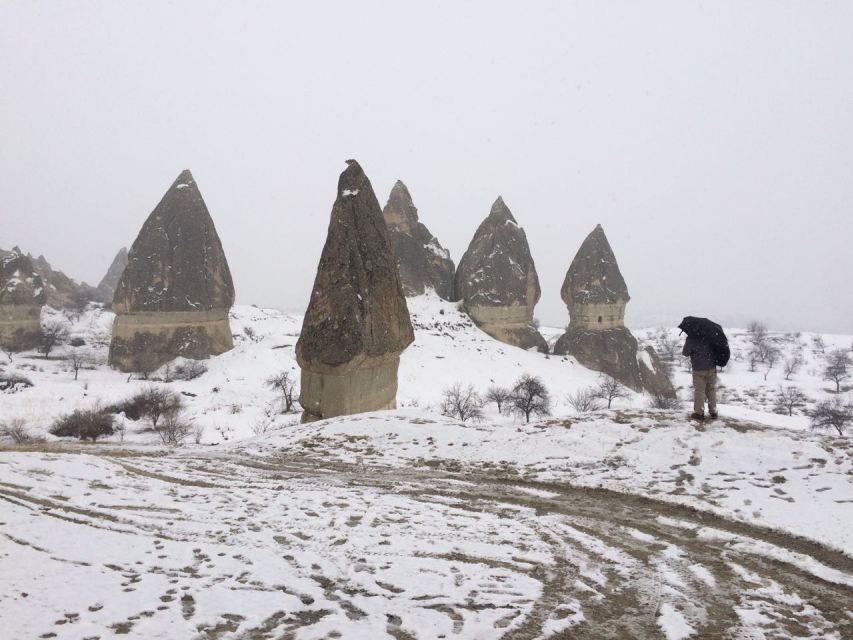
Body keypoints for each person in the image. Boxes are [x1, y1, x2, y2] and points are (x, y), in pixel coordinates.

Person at [682, 335, 718, 419]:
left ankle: (699, 412)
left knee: (699, 391)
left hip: (698, 369)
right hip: (711, 367)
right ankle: (713, 411)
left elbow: (685, 353)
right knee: (711, 390)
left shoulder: (692, 337)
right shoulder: (711, 336)